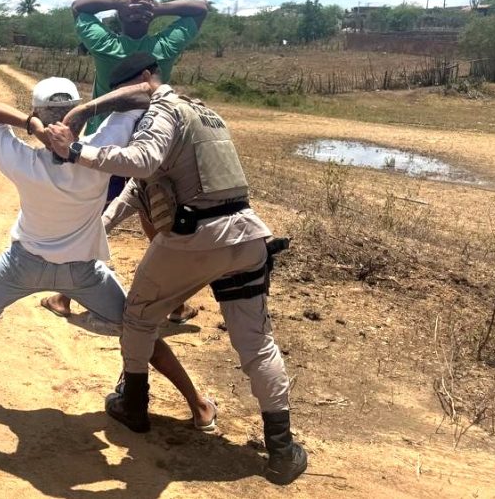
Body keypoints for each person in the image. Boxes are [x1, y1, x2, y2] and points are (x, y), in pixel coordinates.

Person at [0, 78, 216, 431]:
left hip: (22, 266)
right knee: (139, 331)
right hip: (82, 273)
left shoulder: (22, 160)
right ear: (76, 113)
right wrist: (88, 111)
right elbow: (145, 93)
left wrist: (30, 124)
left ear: (38, 112)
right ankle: (199, 406)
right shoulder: (100, 152)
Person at [45, 53, 308, 485]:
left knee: (137, 317)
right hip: (245, 236)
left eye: (122, 91)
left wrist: (74, 150)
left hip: (195, 239)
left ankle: (133, 404)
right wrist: (90, 233)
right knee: (257, 344)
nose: (118, 101)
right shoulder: (204, 114)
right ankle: (281, 449)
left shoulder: (162, 109)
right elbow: (136, 191)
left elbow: (141, 162)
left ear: (147, 78)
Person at [41, 0, 209, 323]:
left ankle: (64, 295)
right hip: (156, 147)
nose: (138, 7)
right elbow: (200, 9)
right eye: (135, 3)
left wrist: (121, 4)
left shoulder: (106, 44)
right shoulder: (163, 47)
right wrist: (156, 8)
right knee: (158, 220)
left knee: (95, 217)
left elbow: (79, 7)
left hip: (109, 149)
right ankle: (174, 304)